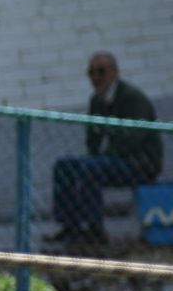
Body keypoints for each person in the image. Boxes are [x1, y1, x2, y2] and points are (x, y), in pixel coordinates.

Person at [46, 52, 160, 245]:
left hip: (140, 165)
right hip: (111, 162)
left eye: (101, 71)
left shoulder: (133, 98)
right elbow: (92, 138)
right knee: (64, 166)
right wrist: (95, 155)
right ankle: (70, 226)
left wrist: (100, 156)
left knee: (92, 167)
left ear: (114, 72)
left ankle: (94, 229)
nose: (96, 78)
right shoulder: (96, 100)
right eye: (91, 73)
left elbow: (132, 139)